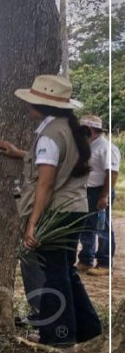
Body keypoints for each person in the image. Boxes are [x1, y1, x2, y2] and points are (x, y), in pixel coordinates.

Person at [0, 74, 100, 347]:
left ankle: (58, 336)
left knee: (55, 274)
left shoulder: (49, 135)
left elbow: (46, 181)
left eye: (31, 103)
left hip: (56, 212)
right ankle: (88, 329)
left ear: (42, 107)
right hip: (75, 208)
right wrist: (20, 153)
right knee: (66, 270)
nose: (27, 108)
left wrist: (33, 223)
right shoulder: (69, 128)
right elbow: (55, 164)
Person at [78, 115, 117, 276]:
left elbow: (112, 173)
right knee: (86, 226)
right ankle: (86, 259)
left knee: (102, 227)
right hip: (86, 191)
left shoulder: (106, 148)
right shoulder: (87, 146)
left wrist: (104, 196)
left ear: (90, 129)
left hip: (99, 191)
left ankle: (105, 262)